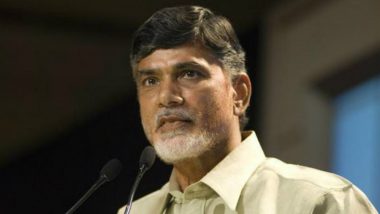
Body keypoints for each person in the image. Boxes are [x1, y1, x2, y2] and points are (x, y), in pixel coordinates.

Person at [118, 5, 377, 214]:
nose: (166, 97)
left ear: (239, 93)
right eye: (150, 81)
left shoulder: (319, 202)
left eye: (188, 74)